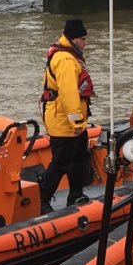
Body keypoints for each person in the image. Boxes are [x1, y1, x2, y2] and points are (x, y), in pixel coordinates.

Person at [39, 19, 96, 214]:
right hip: (64, 121)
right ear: (74, 39)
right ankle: (43, 199)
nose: (85, 42)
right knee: (61, 161)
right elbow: (68, 92)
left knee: (80, 157)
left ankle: (75, 194)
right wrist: (77, 121)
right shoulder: (65, 59)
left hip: (72, 119)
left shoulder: (69, 55)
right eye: (83, 38)